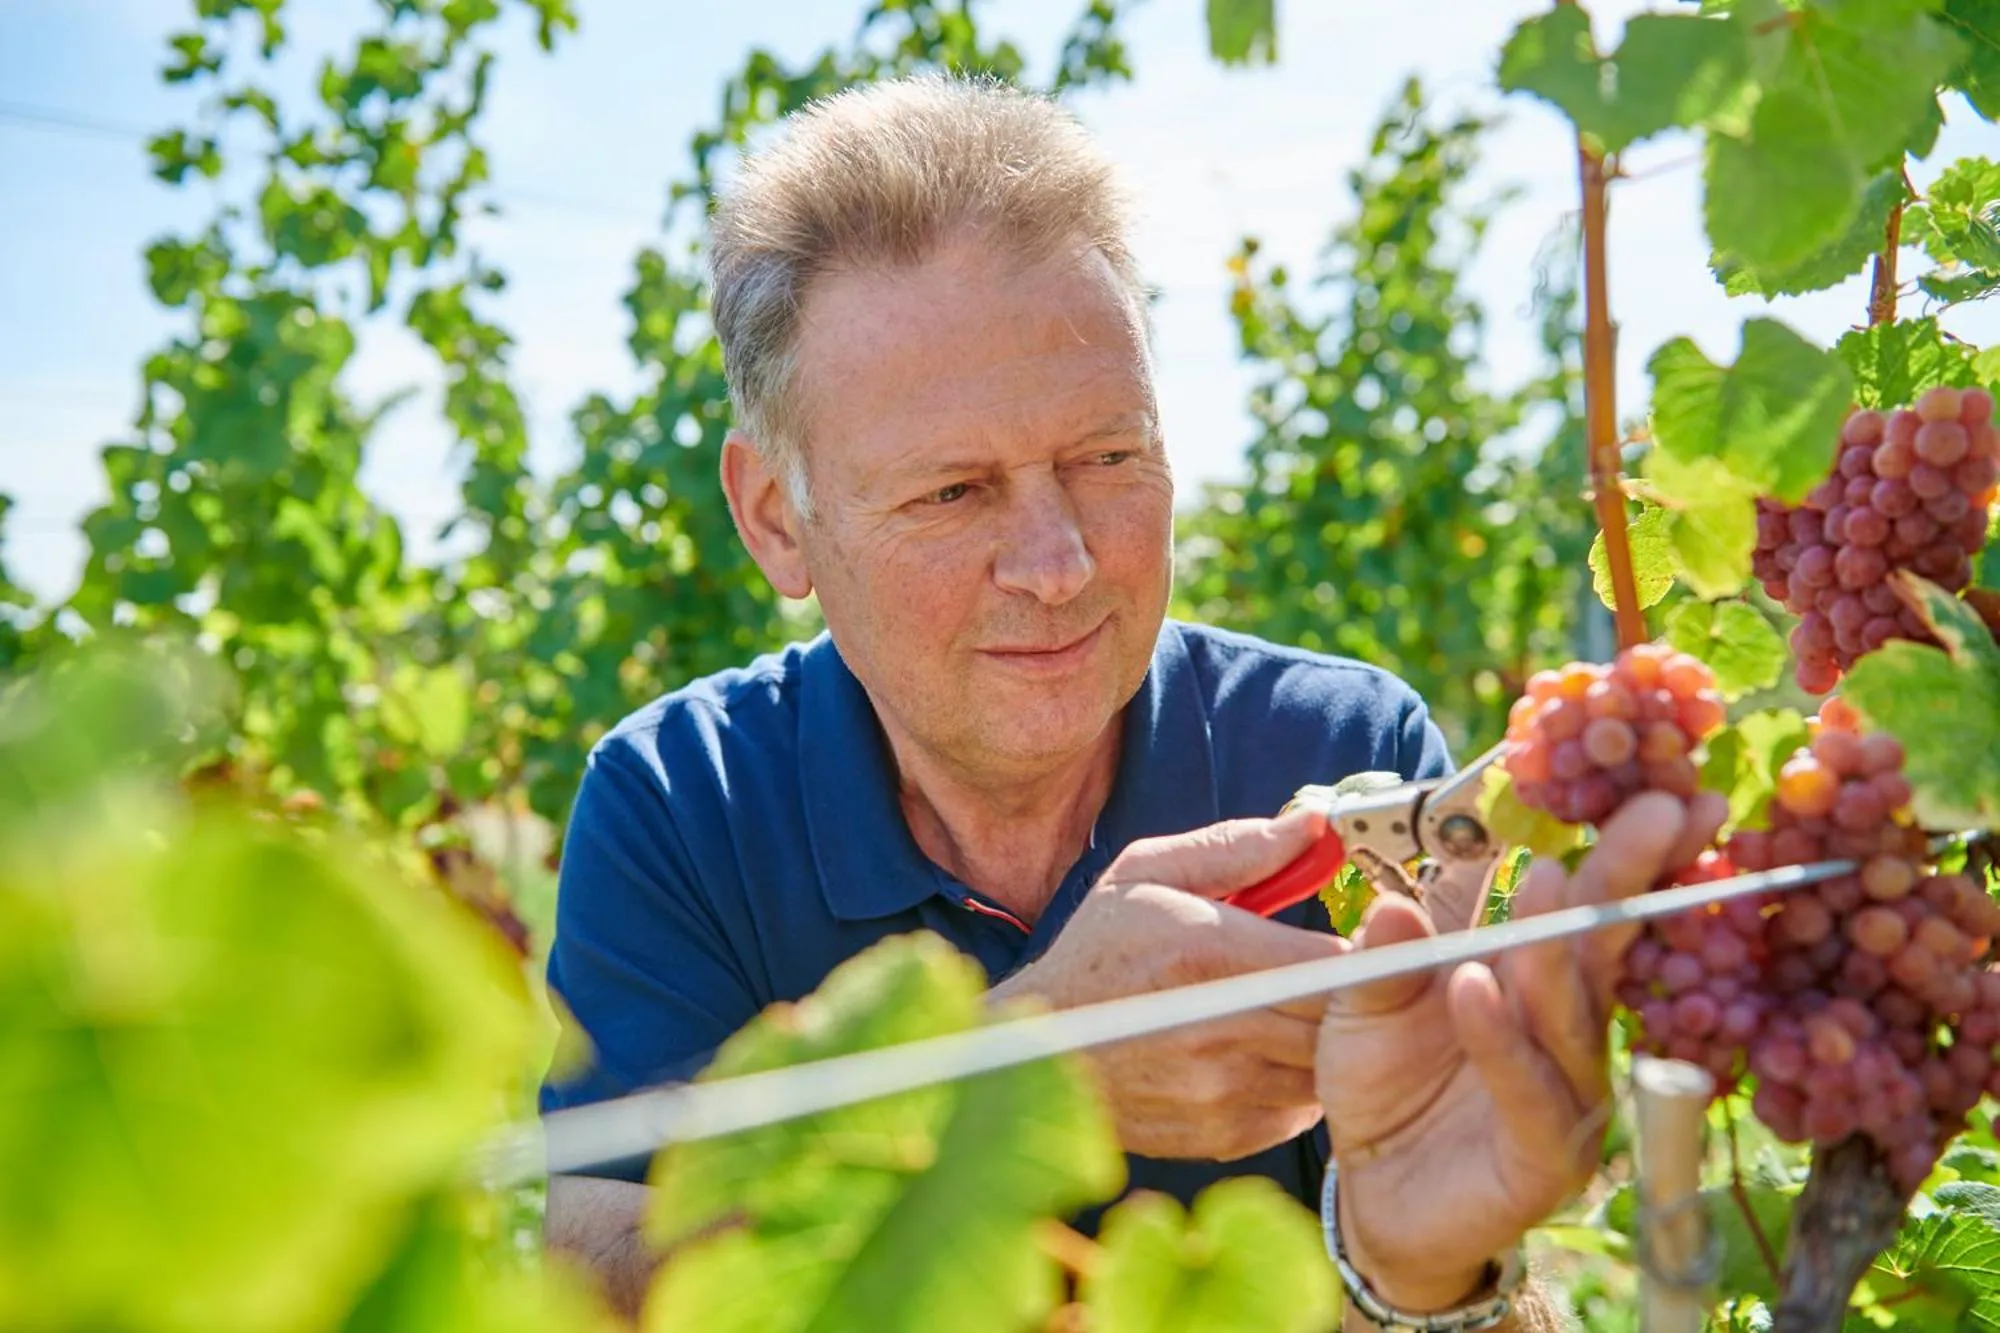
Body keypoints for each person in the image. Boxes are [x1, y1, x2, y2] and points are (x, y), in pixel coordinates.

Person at [539, 73, 1727, 1327]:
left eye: (1107, 456)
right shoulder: (681, 801)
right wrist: (1020, 1076)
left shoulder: (1342, 755)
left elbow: (1441, 1272)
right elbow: (586, 1269)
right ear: (778, 519)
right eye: (952, 493)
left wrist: (1420, 1278)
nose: (1058, 564)